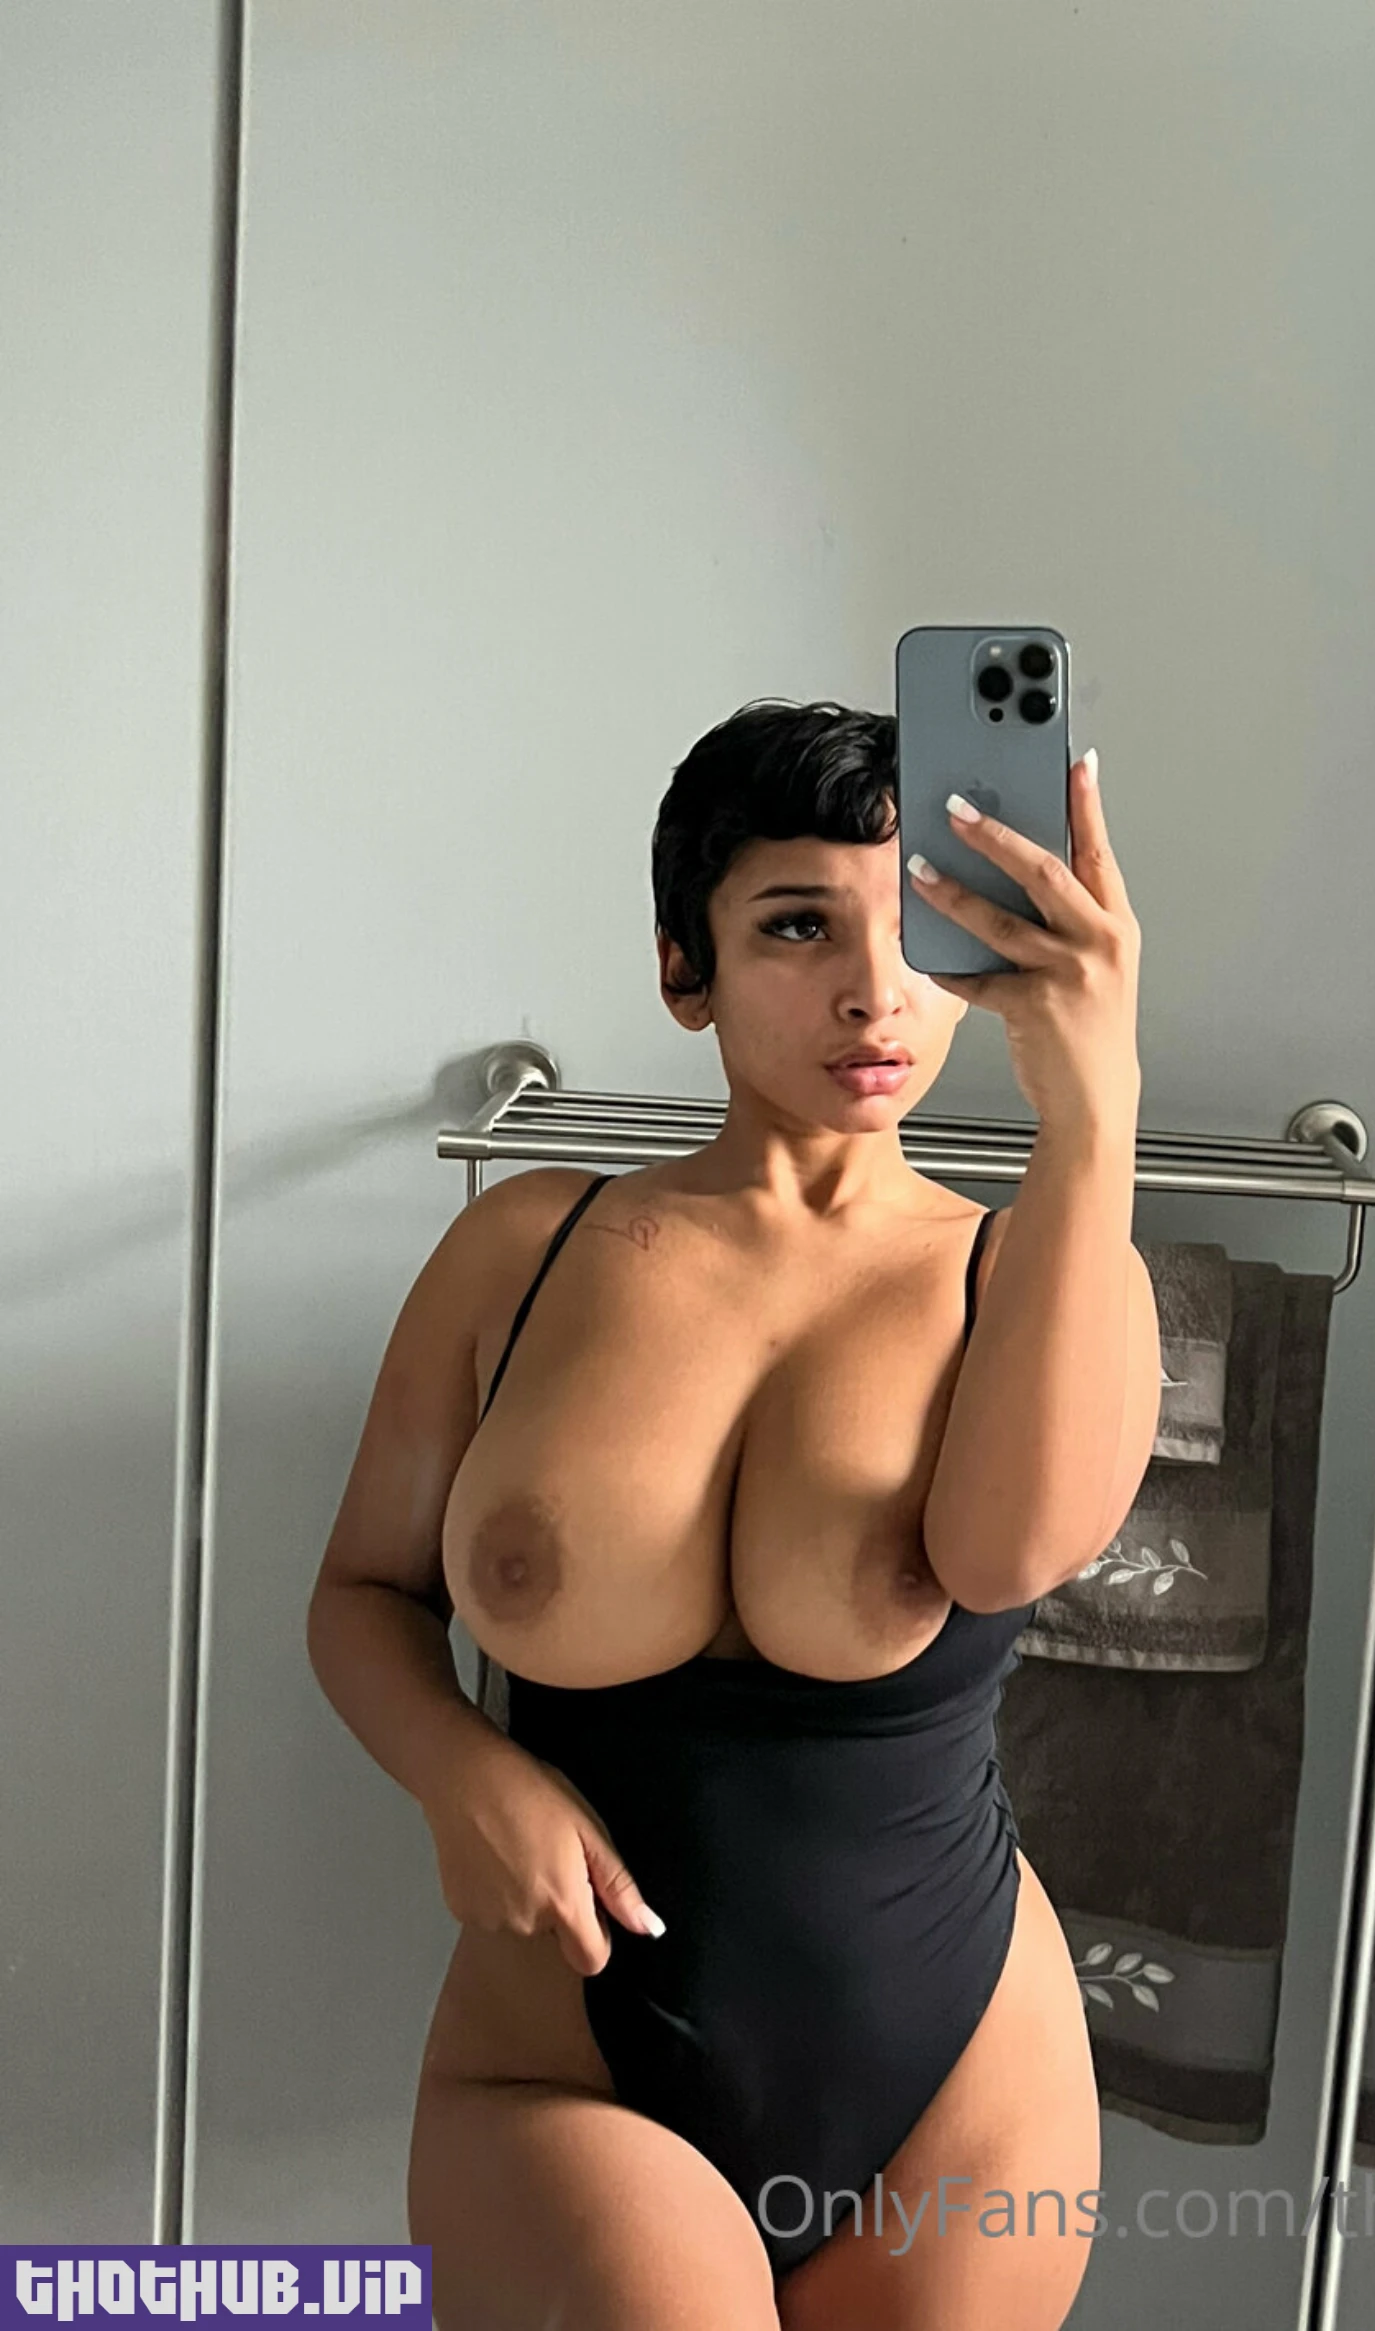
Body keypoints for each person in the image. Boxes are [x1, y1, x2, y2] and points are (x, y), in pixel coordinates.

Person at [306, 700, 1159, 2330]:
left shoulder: (1039, 1274)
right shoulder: (522, 1253)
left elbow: (1008, 1553)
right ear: (681, 967)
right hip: (564, 2062)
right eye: (795, 925)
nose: (875, 989)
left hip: (958, 2084)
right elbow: (360, 1594)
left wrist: (1095, 1107)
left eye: (917, 928)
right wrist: (461, 1771)